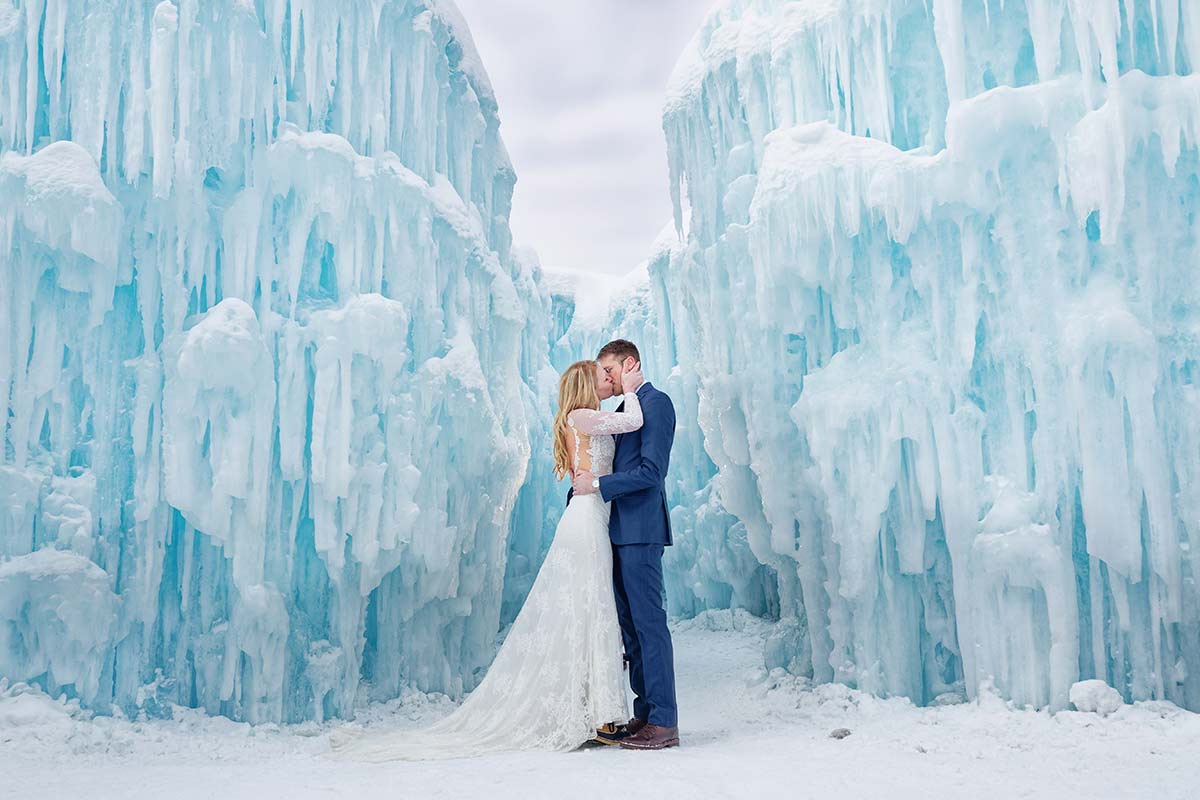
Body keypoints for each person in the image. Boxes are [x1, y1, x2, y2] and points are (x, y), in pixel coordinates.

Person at [329, 356, 649, 760]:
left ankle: (596, 712)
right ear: (586, 384)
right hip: (586, 519)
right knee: (591, 605)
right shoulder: (582, 416)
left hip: (593, 514)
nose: (610, 379)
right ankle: (598, 714)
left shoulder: (583, 417)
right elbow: (632, 422)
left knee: (591, 607)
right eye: (603, 375)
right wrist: (633, 390)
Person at [572, 339, 678, 750]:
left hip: (641, 531)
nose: (607, 379)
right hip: (615, 531)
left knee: (649, 625)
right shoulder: (624, 409)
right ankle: (645, 713)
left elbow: (652, 472)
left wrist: (598, 484)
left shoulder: (656, 403)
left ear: (629, 363)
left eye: (610, 370)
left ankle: (664, 722)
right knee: (631, 630)